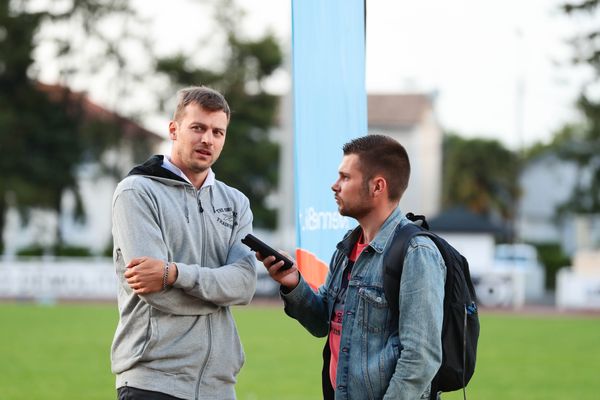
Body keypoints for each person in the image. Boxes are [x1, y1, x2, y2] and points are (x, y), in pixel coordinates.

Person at [257, 134, 446, 400]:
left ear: (377, 186)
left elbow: (421, 357)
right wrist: (293, 282)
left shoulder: (416, 253)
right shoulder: (346, 248)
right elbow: (322, 322)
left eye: (345, 177)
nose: (335, 186)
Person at [110, 86, 257, 400]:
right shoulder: (137, 192)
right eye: (198, 128)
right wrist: (220, 291)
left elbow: (244, 286)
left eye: (218, 132)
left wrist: (174, 274)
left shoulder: (236, 203)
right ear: (174, 130)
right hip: (152, 381)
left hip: (219, 387)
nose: (208, 139)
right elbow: (156, 294)